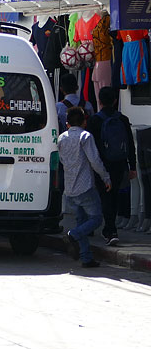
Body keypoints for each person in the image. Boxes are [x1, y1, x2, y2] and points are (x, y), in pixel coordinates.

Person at [58, 106, 112, 268]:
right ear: (84, 121)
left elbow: (61, 160)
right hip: (85, 186)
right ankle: (73, 235)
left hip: (70, 188)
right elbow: (94, 160)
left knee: (81, 221)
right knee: (96, 219)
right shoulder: (85, 136)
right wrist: (106, 177)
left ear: (67, 123)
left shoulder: (61, 138)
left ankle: (86, 257)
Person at [87, 86, 137, 246]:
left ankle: (110, 229)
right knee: (114, 195)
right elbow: (130, 144)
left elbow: (90, 146)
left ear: (99, 101)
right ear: (115, 100)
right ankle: (111, 227)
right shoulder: (122, 119)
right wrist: (133, 166)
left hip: (101, 165)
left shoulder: (95, 120)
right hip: (119, 164)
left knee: (104, 196)